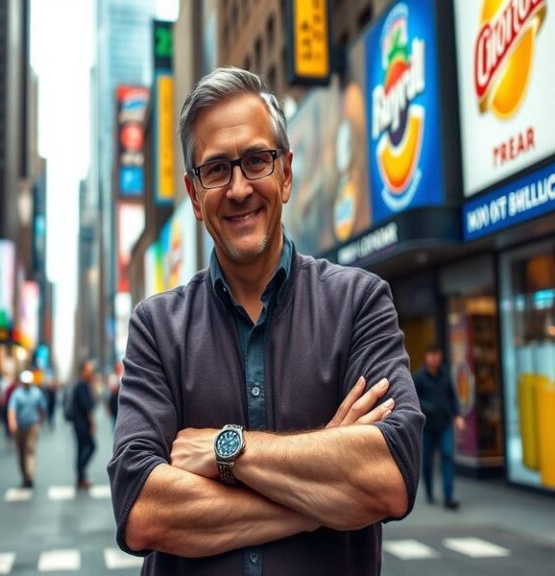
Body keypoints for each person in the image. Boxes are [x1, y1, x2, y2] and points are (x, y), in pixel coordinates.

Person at [107, 67, 424, 575]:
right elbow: (144, 513)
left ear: (286, 174)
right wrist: (322, 496)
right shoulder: (155, 327)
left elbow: (387, 478)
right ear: (192, 193)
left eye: (256, 160)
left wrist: (222, 448)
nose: (238, 189)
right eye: (215, 170)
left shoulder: (360, 303)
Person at [414, 342, 465, 510]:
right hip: (427, 427)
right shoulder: (419, 377)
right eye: (432, 355)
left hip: (444, 424)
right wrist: (427, 407)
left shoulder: (445, 375)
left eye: (438, 355)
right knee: (427, 461)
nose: (435, 358)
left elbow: (452, 397)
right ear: (426, 356)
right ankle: (428, 490)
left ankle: (449, 497)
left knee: (448, 456)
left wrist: (457, 415)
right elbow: (413, 400)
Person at [7, 370, 47, 488]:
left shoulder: (37, 393)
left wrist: (41, 421)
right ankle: (24, 476)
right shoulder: (17, 394)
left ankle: (29, 476)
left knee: (30, 450)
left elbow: (42, 408)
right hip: (20, 427)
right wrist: (12, 423)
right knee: (21, 452)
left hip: (32, 426)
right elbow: (12, 410)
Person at [72, 359, 96, 489]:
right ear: (83, 372)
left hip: (80, 423)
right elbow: (87, 406)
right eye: (88, 370)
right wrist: (92, 423)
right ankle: (81, 473)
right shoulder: (81, 386)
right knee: (91, 446)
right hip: (81, 424)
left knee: (81, 449)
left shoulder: (84, 385)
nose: (91, 373)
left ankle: (80, 477)